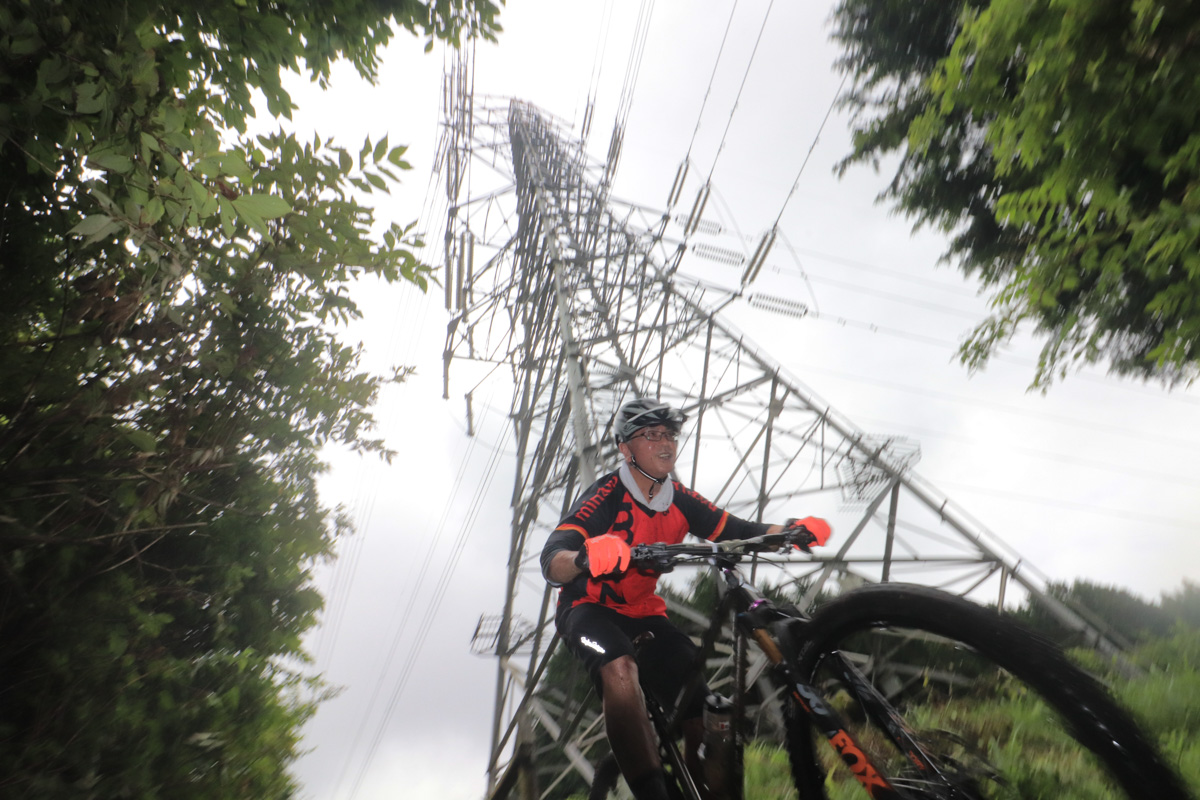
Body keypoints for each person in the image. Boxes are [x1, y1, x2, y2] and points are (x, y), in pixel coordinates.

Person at [540, 398, 830, 800]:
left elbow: (735, 529)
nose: (665, 443)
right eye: (651, 435)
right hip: (588, 611)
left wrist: (790, 530)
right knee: (620, 669)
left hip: (646, 615)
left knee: (711, 716)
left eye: (669, 434)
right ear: (626, 449)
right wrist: (586, 557)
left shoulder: (679, 499)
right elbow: (553, 559)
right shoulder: (606, 495)